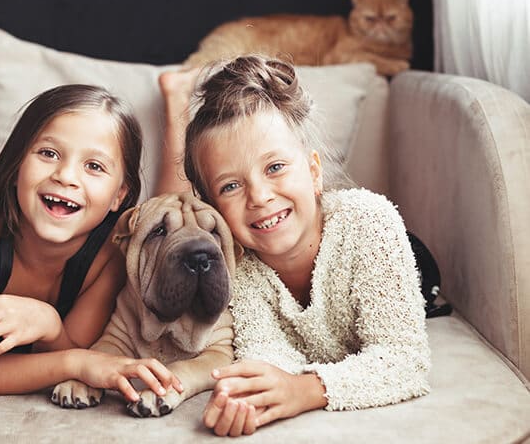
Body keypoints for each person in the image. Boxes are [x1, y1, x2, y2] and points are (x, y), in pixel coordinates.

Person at [159, 55, 430, 436]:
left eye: (275, 168)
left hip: (397, 257)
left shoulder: (368, 220)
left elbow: (405, 358)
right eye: (231, 186)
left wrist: (305, 389)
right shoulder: (237, 264)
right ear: (214, 209)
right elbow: (265, 353)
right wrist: (251, 395)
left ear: (314, 172)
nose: (260, 197)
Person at [0, 84, 183, 402]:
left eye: (94, 166)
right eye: (48, 153)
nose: (66, 176)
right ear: (16, 169)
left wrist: (50, 328)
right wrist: (76, 359)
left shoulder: (111, 256)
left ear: (118, 196)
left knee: (162, 219)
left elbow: (75, 357)